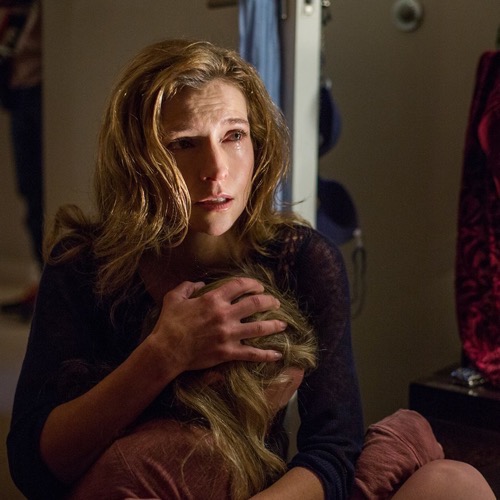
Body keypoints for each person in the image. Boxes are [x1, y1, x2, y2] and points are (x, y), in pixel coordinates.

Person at [7, 39, 495, 500]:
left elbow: (333, 449)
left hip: (261, 489)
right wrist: (163, 355)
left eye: (234, 136)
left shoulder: (302, 260)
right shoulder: (83, 265)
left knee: (453, 483)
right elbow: (32, 469)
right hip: (141, 484)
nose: (217, 169)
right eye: (184, 143)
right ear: (137, 159)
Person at [62, 267, 318, 500]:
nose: (269, 430)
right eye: (270, 412)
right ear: (217, 382)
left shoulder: (158, 437)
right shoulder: (197, 456)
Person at [0, 0, 42, 320]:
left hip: (45, 88)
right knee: (30, 192)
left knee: (44, 193)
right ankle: (42, 282)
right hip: (20, 90)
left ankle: (49, 289)